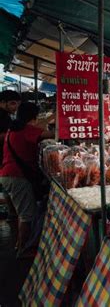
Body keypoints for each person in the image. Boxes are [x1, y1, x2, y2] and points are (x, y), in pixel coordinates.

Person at [0, 102, 54, 254]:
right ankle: (22, 248)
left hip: (8, 174)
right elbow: (52, 134)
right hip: (17, 176)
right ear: (33, 117)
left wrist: (53, 116)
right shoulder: (26, 130)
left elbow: (38, 128)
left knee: (23, 212)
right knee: (26, 215)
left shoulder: (15, 128)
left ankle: (22, 244)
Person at [0, 90, 21, 163]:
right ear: (2, 103)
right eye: (13, 103)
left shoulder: (6, 115)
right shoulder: (3, 116)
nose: (16, 107)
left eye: (17, 104)